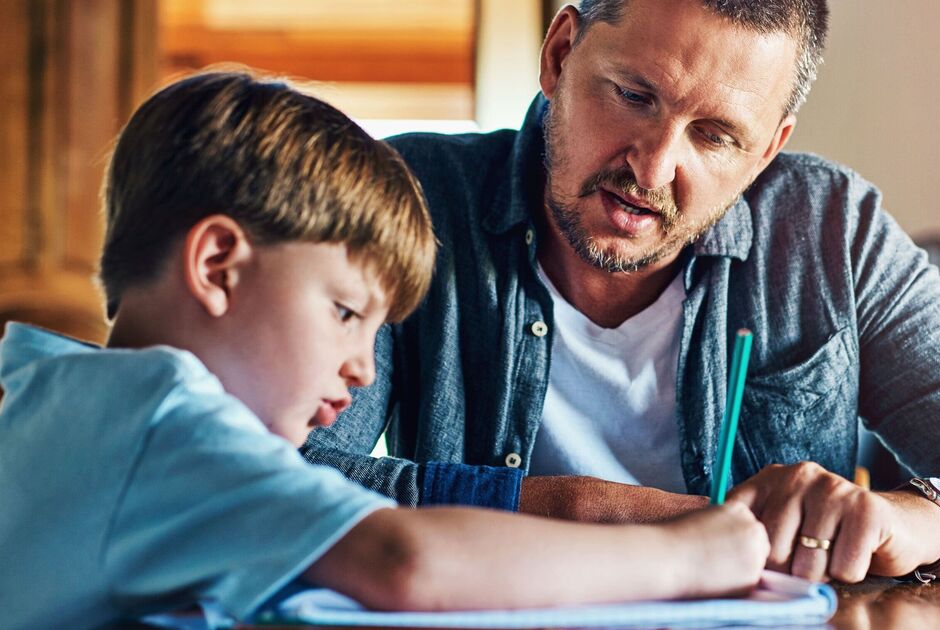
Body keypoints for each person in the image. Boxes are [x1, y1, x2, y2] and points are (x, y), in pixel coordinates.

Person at [303, 0, 940, 584]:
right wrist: (593, 510)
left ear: (768, 149)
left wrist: (914, 523)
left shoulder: (829, 232)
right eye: (634, 96)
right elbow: (266, 476)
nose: (654, 168)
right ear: (559, 54)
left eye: (715, 135)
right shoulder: (408, 200)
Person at [0, 71, 772, 630]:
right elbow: (405, 562)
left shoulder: (49, 387)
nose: (364, 368)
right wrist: (691, 560)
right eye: (344, 312)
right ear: (217, 267)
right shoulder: (171, 422)